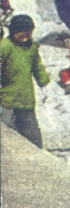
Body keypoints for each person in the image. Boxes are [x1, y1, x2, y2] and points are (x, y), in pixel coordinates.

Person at [0, 15, 50, 148]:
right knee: (5, 130)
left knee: (32, 132)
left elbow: (37, 65)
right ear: (13, 32)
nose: (26, 38)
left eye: (29, 34)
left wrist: (43, 85)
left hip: (26, 97)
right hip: (7, 98)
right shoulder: (4, 47)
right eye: (22, 35)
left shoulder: (31, 46)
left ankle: (37, 152)